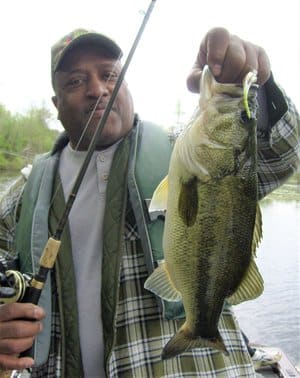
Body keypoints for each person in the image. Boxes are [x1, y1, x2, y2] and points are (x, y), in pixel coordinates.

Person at [0, 26, 298, 378]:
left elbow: (281, 154)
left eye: (110, 74)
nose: (97, 89)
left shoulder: (182, 150)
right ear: (56, 103)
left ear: (126, 84)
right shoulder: (23, 193)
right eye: (76, 81)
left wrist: (257, 88)